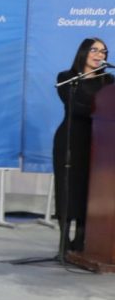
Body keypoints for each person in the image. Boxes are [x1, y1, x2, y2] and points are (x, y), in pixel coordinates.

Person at [52, 38, 112, 252]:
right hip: (71, 139)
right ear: (83, 52)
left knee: (90, 189)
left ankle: (81, 239)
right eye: (94, 50)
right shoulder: (66, 78)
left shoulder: (108, 81)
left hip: (99, 143)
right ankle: (63, 240)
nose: (99, 55)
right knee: (68, 188)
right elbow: (75, 107)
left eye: (103, 52)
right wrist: (99, 110)